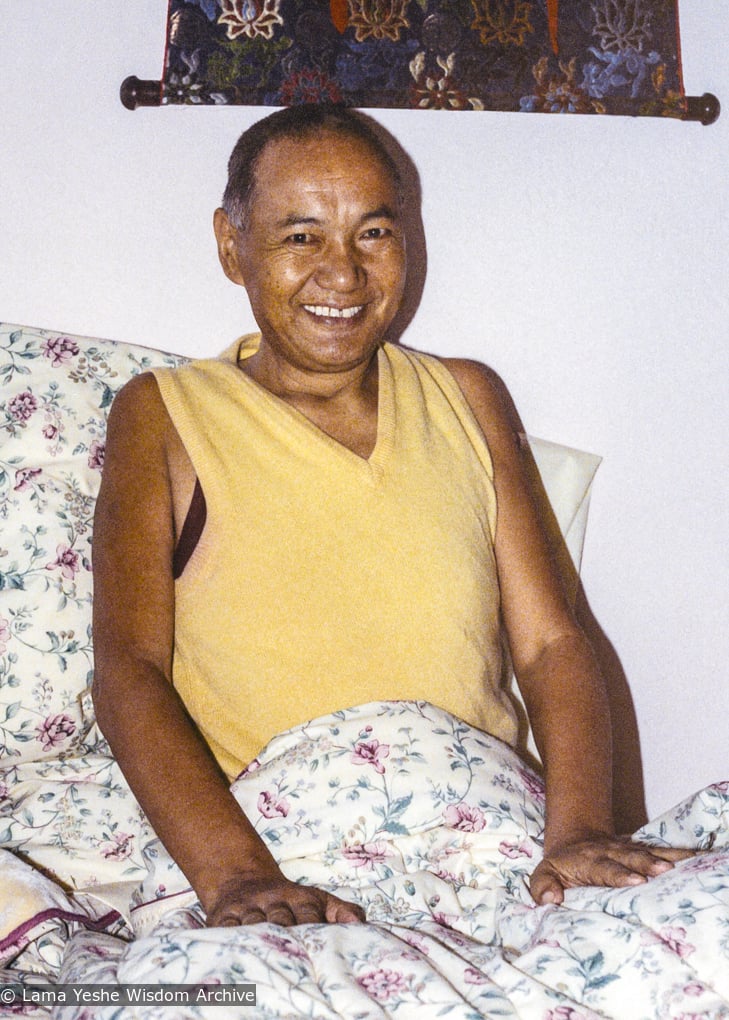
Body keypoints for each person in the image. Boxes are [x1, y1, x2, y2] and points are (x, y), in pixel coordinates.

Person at [91, 105, 688, 930]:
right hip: (280, 851)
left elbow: (553, 643)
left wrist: (580, 828)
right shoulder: (167, 414)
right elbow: (128, 673)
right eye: (300, 237)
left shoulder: (467, 396)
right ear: (231, 247)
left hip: (491, 835)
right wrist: (236, 879)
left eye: (373, 233)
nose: (342, 274)